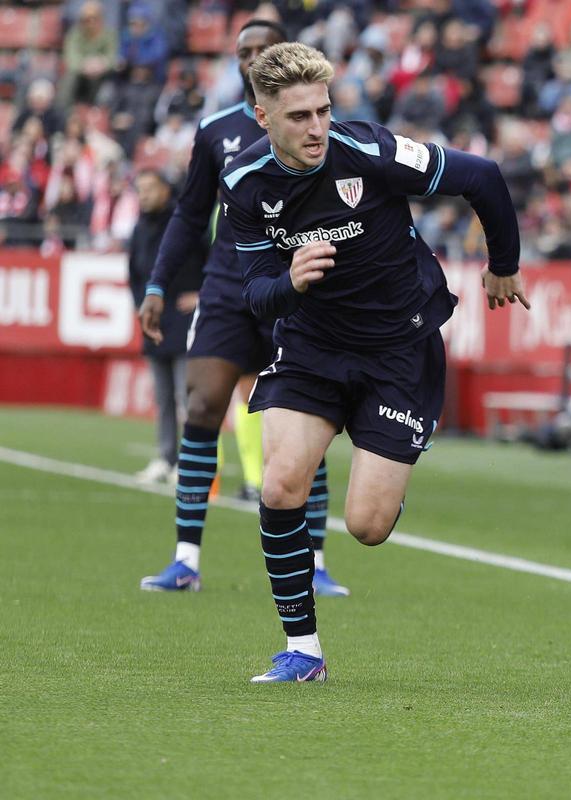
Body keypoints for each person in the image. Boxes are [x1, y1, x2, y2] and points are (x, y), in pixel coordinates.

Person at [220, 42, 527, 683]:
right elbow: (255, 293)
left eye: (323, 111)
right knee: (280, 484)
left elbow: (483, 178)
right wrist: (292, 283)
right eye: (298, 115)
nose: (315, 128)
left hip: (400, 348)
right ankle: (303, 652)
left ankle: (392, 467)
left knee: (366, 525)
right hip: (311, 347)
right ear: (262, 117)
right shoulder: (244, 185)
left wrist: (503, 265)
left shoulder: (371, 151)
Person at [137, 20, 350, 598]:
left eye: (264, 49)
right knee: (202, 402)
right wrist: (157, 284)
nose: (252, 57)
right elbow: (188, 215)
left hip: (298, 291)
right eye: (244, 51)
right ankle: (185, 558)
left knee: (306, 424)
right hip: (230, 287)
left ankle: (318, 560)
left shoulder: (319, 130)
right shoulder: (214, 131)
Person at [127, 170, 202, 484]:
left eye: (149, 188)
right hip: (154, 321)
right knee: (162, 396)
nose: (143, 194)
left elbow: (215, 259)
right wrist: (141, 306)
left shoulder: (185, 222)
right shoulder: (140, 227)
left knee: (188, 397)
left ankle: (191, 462)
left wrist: (203, 295)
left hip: (185, 320)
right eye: (140, 189)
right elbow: (132, 272)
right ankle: (165, 456)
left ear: (165, 188)